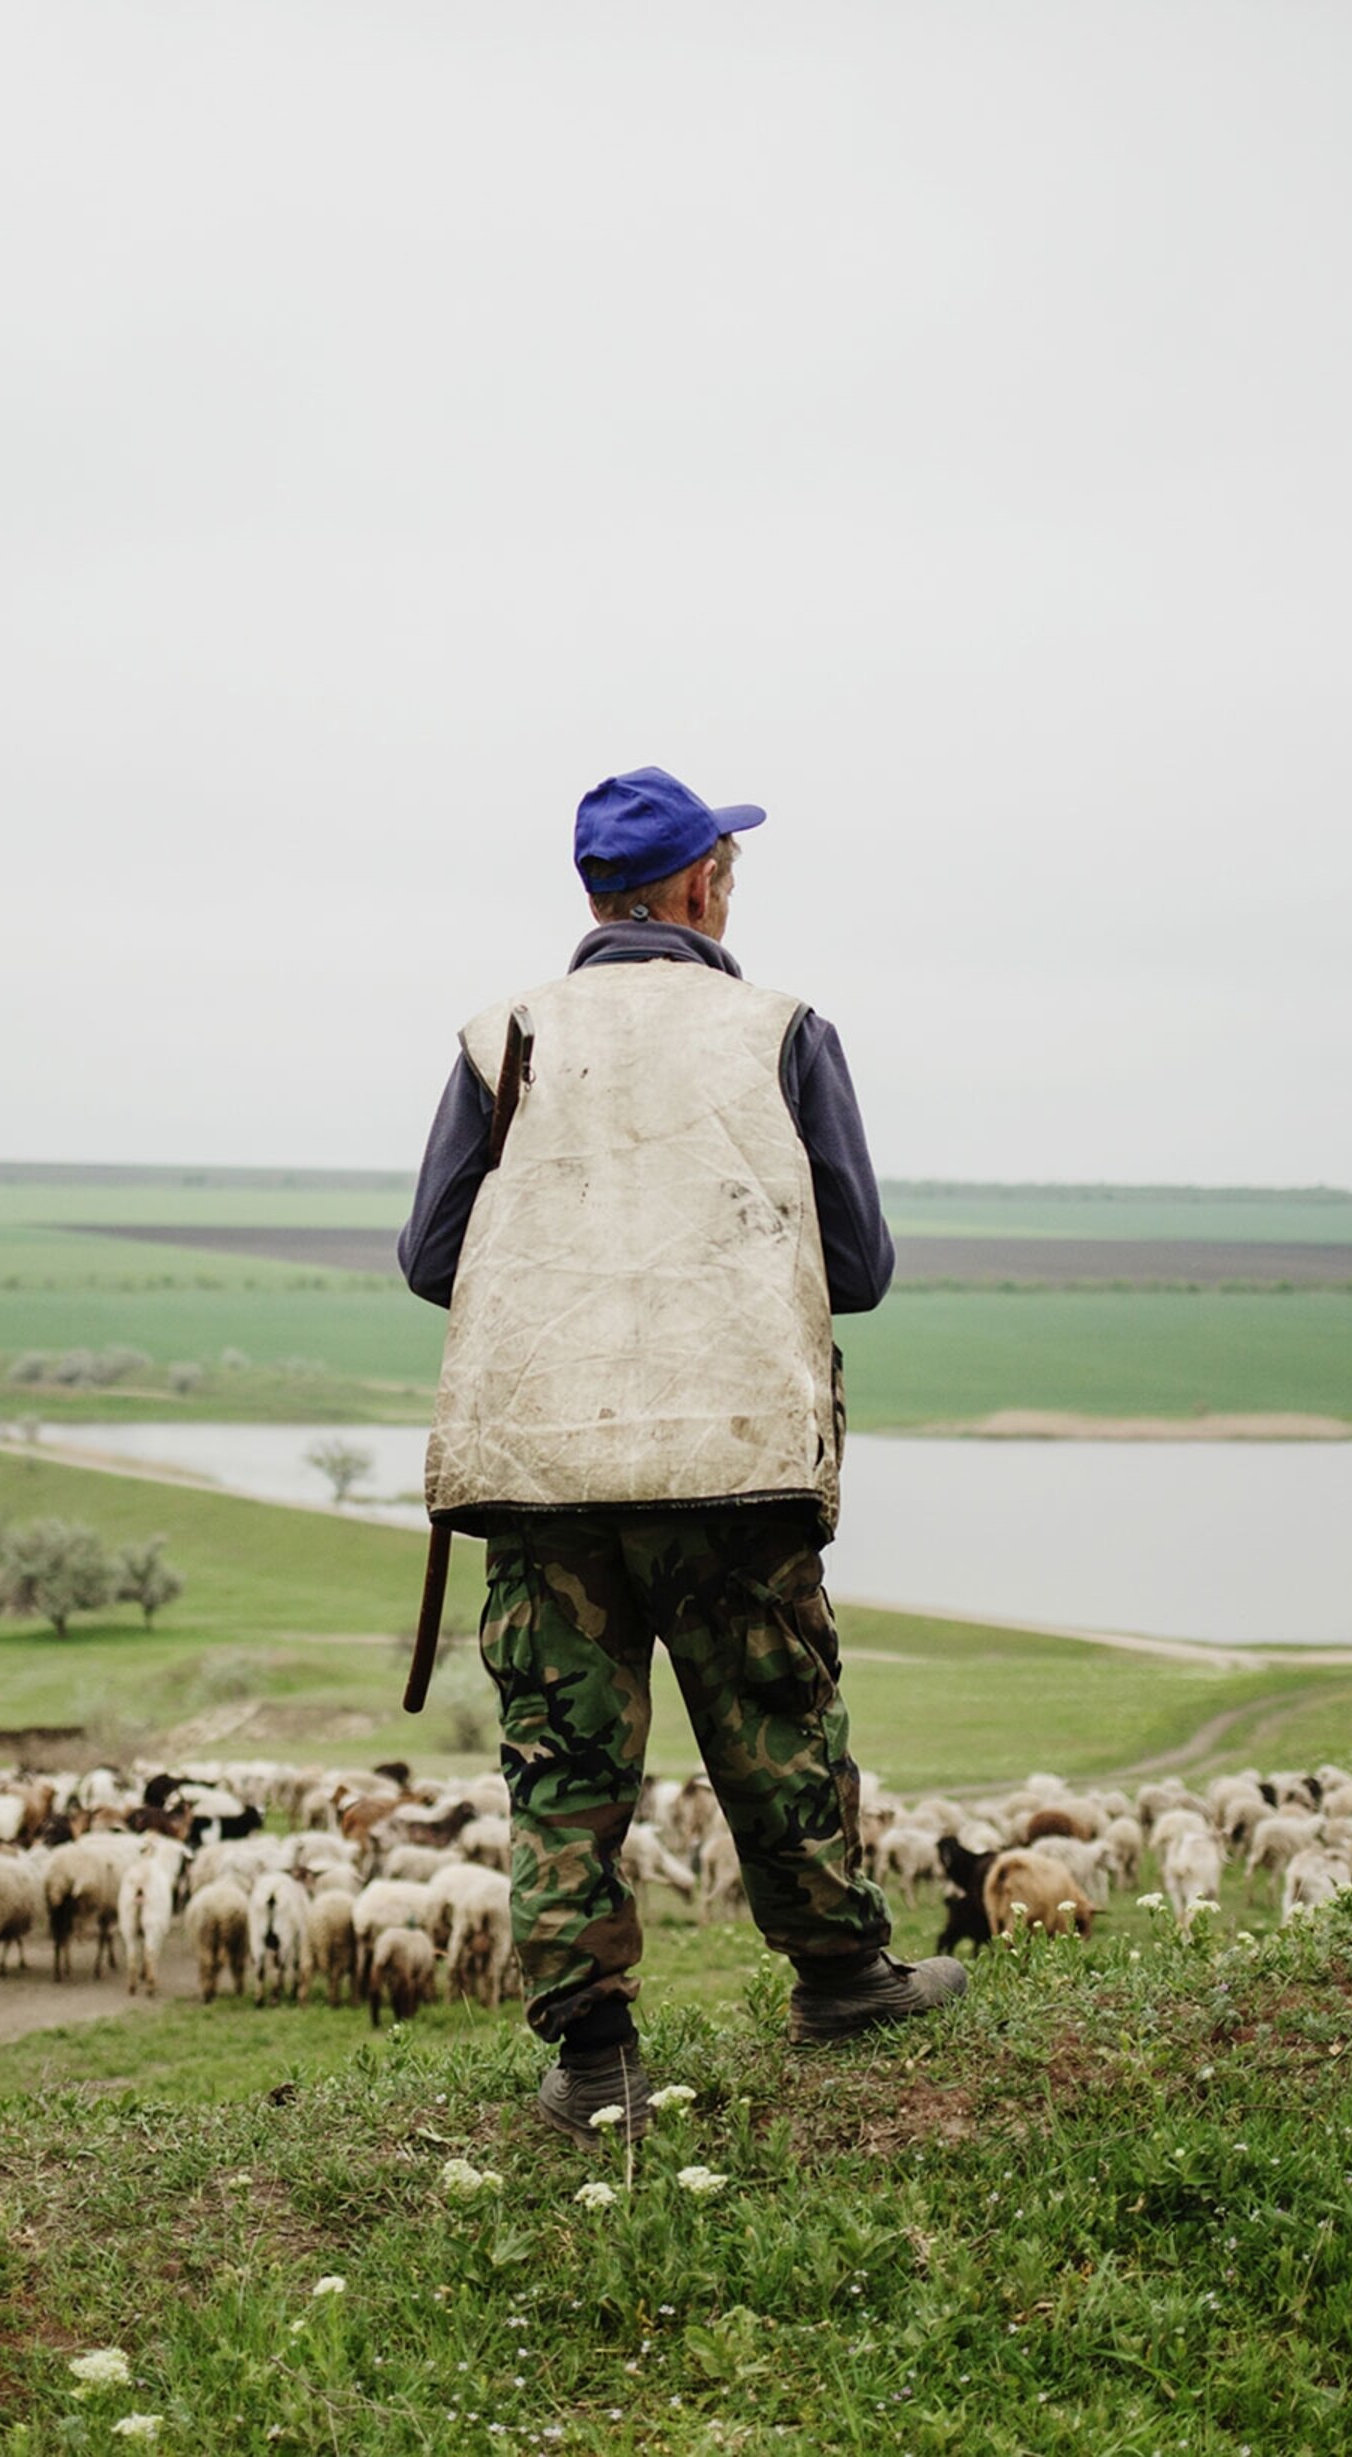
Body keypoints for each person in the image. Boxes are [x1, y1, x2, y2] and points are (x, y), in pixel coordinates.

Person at [397, 764, 965, 2141]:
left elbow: (429, 1259)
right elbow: (862, 1265)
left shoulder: (502, 1037)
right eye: (728, 870)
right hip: (732, 1457)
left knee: (562, 1759)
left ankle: (593, 2060)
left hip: (542, 1470)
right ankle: (841, 1977)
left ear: (596, 896)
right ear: (702, 885)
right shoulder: (780, 1031)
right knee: (776, 1721)